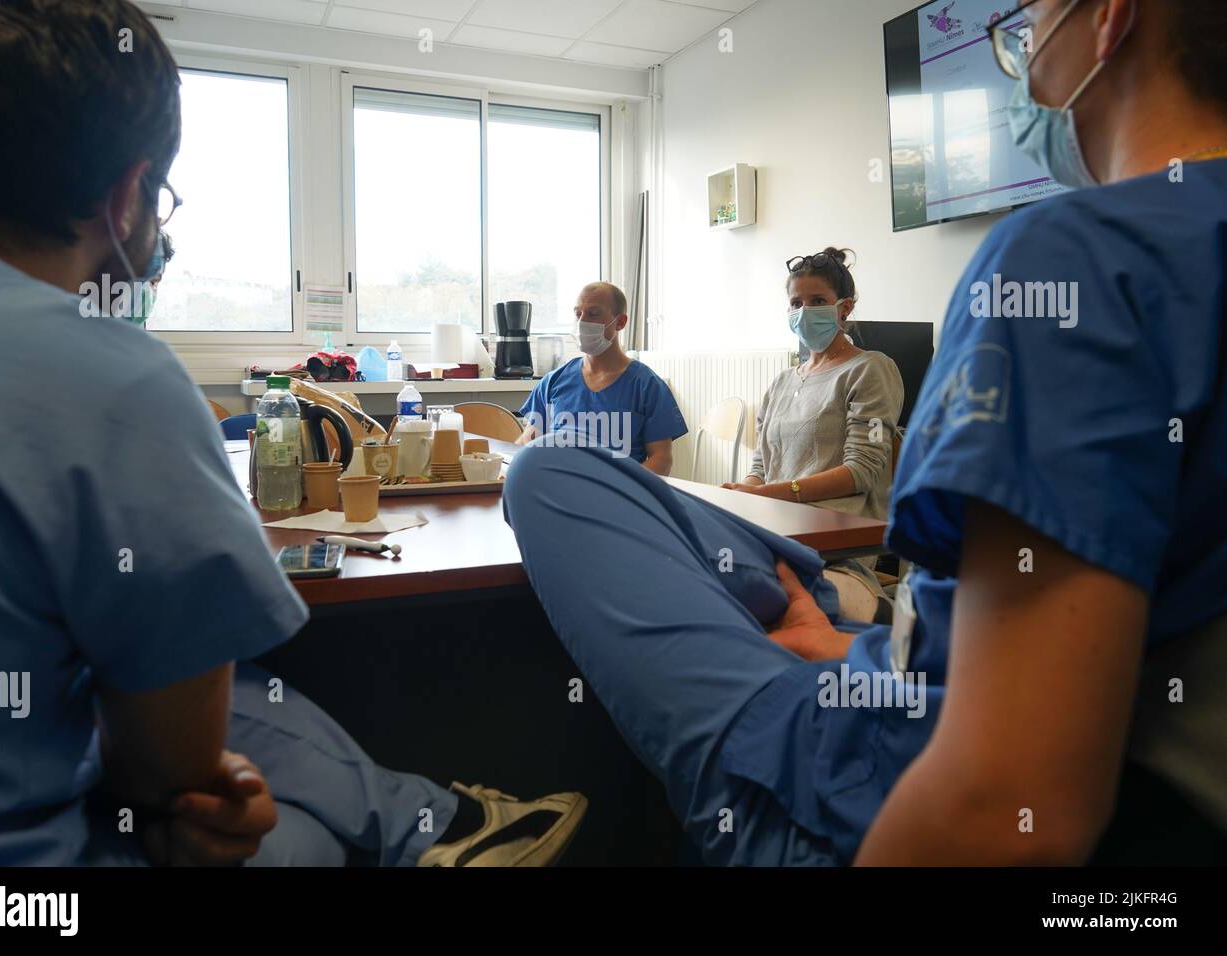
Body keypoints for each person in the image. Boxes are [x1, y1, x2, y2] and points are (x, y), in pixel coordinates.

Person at [503, 0, 1227, 864]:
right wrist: (855, 651)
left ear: (1108, 18)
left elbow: (1007, 803)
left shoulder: (1076, 260)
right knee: (682, 509)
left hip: (869, 787)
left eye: (1026, 26)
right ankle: (825, 609)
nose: (1024, 64)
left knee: (548, 477)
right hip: (896, 672)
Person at [0, 0, 585, 867]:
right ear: (127, 197)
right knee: (278, 821)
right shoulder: (114, 373)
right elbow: (173, 779)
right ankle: (431, 831)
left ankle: (439, 824)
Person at [723, 247, 903, 622]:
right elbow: (762, 463)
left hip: (833, 547)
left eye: (817, 300)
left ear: (845, 308)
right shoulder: (781, 382)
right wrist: (745, 495)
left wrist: (767, 494)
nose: (804, 311)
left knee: (753, 600)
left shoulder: (870, 370)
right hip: (775, 532)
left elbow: (860, 472)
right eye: (795, 302)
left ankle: (870, 605)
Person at [517, 282, 687, 476]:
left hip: (618, 496)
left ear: (620, 322)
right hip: (559, 489)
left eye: (593, 314)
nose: (582, 322)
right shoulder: (553, 382)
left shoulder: (647, 386)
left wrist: (624, 489)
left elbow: (662, 459)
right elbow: (528, 442)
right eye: (578, 313)